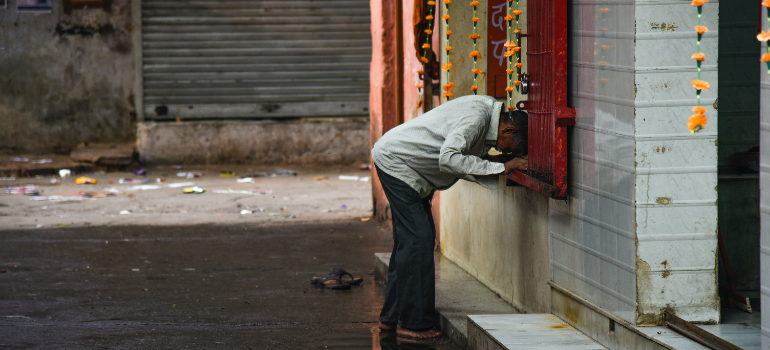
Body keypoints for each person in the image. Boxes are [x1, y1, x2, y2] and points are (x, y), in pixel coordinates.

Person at [371, 95, 528, 339]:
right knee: (419, 240)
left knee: (410, 243)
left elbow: (466, 156)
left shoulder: (486, 115)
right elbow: (450, 158)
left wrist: (500, 162)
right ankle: (412, 323)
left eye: (506, 151)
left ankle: (390, 319)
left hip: (406, 165)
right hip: (397, 162)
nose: (502, 149)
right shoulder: (477, 117)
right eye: (507, 146)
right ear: (508, 128)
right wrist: (502, 166)